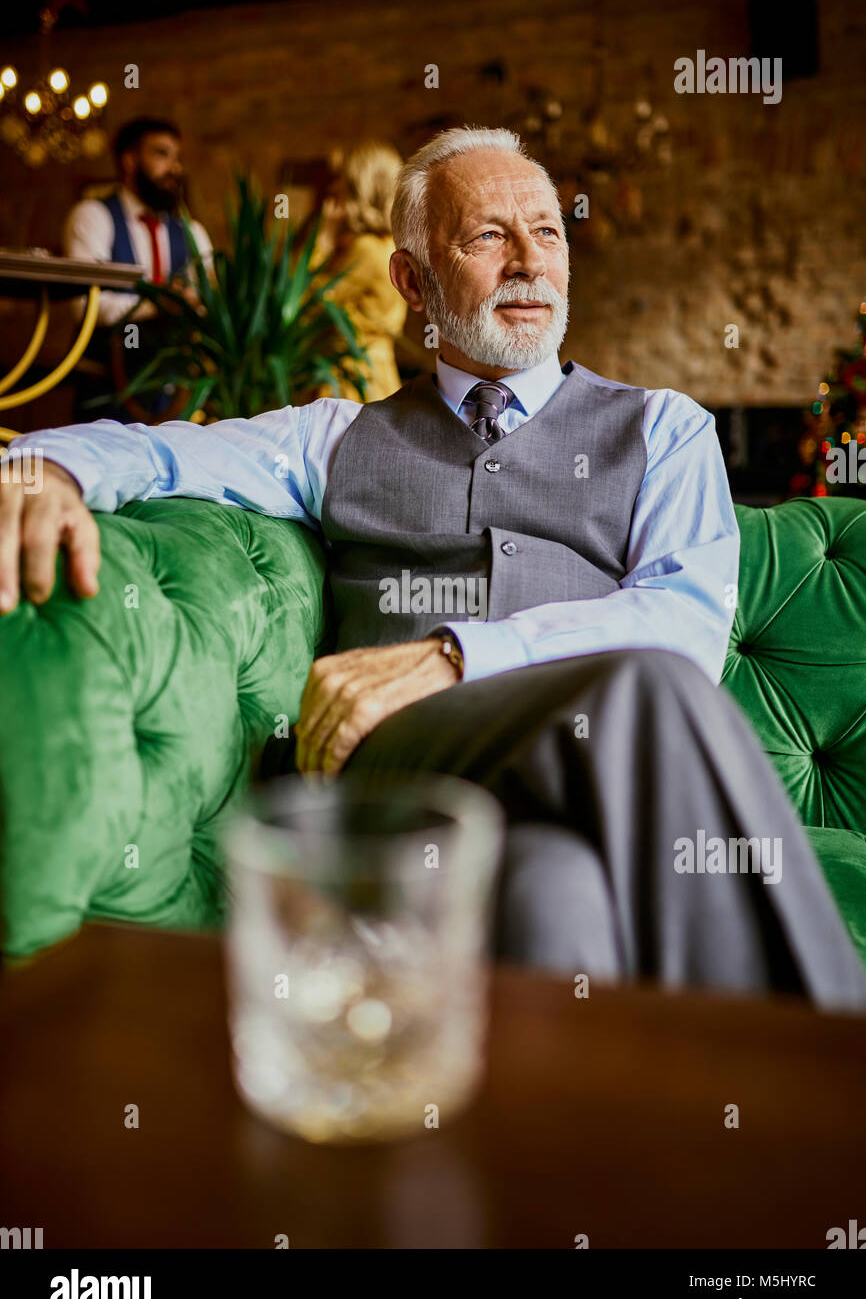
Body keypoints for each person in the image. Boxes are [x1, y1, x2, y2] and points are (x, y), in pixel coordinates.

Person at [3, 126, 864, 1009]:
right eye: (488, 236)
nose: (528, 261)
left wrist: (455, 653)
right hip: (396, 774)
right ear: (413, 280)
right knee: (650, 691)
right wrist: (41, 471)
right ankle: (827, 1078)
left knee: (553, 894)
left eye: (548, 232)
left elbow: (686, 625)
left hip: (569, 788)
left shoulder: (662, 428)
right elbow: (162, 453)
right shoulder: (333, 436)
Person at [63, 116, 212, 420]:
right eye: (161, 154)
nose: (175, 168)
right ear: (129, 161)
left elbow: (209, 300)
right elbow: (84, 305)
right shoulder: (93, 216)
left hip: (176, 396)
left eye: (177, 158)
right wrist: (157, 304)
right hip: (107, 393)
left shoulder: (192, 231)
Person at [311, 141, 407, 402]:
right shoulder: (388, 242)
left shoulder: (366, 249)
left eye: (340, 181)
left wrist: (321, 241)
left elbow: (305, 302)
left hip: (354, 382)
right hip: (378, 373)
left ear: (359, 188)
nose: (333, 188)